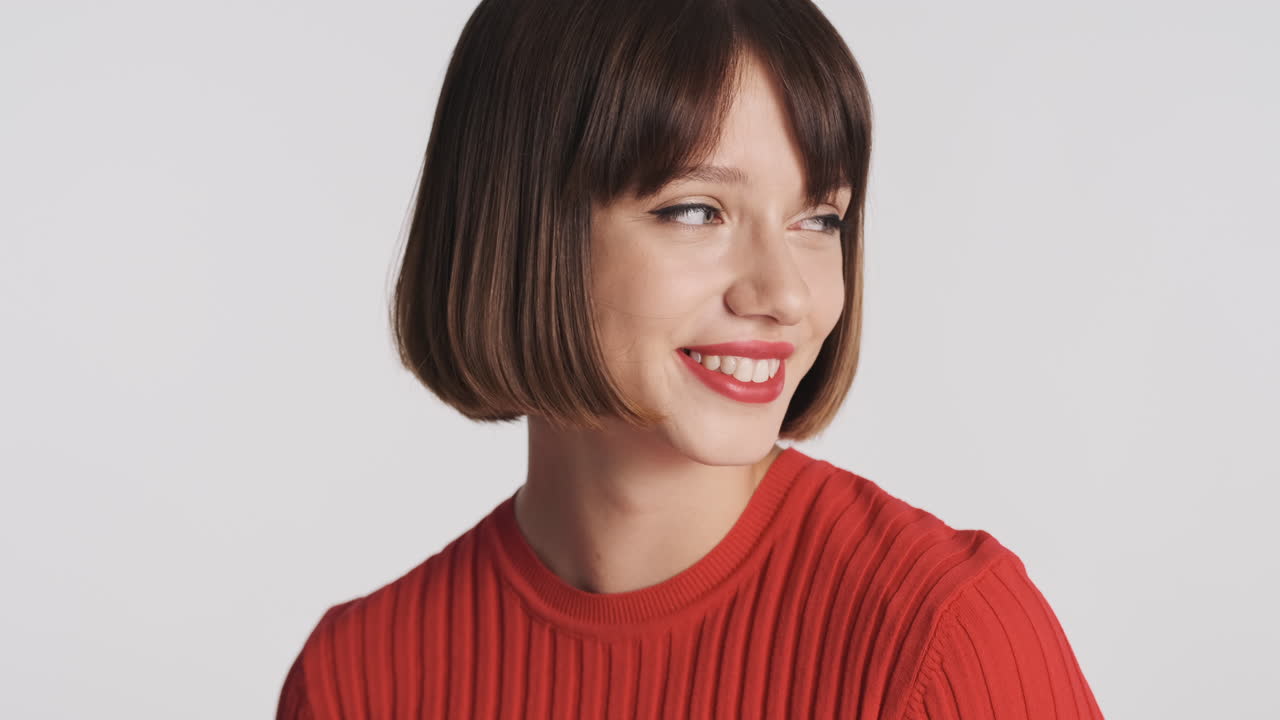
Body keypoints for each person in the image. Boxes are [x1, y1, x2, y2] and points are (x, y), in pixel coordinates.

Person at [276, 0, 1104, 717]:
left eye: (819, 219)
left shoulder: (943, 636)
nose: (783, 293)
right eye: (698, 211)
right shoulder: (359, 680)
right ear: (523, 228)